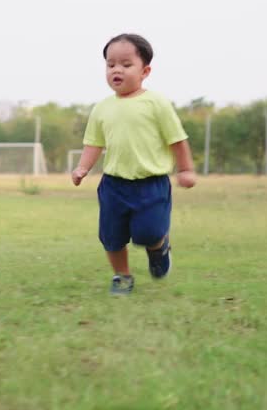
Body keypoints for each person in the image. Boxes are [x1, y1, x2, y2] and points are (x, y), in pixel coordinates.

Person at [71, 33, 197, 295]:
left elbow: (177, 140)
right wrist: (83, 167)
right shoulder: (102, 108)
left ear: (145, 71)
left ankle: (158, 247)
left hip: (151, 184)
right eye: (111, 64)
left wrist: (185, 169)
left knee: (147, 233)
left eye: (126, 64)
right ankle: (122, 276)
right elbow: (94, 143)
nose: (117, 69)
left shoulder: (156, 103)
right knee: (111, 237)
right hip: (114, 185)